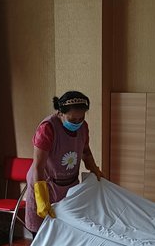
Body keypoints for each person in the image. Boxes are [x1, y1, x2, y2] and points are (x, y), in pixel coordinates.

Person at [25, 90, 103, 237]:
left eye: (81, 118)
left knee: (67, 232)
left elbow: (85, 152)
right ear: (60, 113)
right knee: (43, 233)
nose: (77, 123)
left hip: (69, 186)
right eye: (73, 120)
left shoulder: (83, 127)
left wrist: (95, 170)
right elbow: (38, 167)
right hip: (45, 184)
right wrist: (41, 198)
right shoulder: (47, 129)